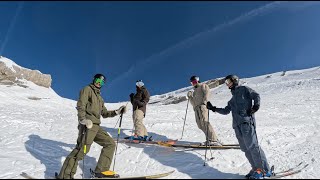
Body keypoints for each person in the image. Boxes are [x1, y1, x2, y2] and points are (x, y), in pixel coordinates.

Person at [57, 74, 127, 179]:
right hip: (87, 124)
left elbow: (104, 113)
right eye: (98, 80)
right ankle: (64, 176)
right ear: (94, 79)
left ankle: (101, 171)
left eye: (102, 82)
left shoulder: (100, 98)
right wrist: (83, 120)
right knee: (81, 150)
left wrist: (116, 112)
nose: (99, 83)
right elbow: (81, 105)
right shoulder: (87, 90)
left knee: (110, 144)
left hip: (96, 126)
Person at [206, 75, 272, 179]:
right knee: (245, 148)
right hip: (237, 126)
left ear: (234, 80)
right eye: (226, 82)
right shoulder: (231, 100)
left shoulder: (244, 89)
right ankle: (255, 168)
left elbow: (256, 95)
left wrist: (256, 106)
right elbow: (226, 111)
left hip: (246, 123)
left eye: (228, 81)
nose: (227, 84)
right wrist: (213, 108)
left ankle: (264, 170)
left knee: (253, 146)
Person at [186, 75, 220, 146]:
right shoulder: (194, 91)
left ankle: (214, 140)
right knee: (200, 125)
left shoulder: (203, 86)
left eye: (194, 81)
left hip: (202, 106)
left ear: (198, 80)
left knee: (204, 122)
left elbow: (207, 93)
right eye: (192, 83)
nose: (194, 83)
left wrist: (204, 102)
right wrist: (190, 97)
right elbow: (193, 103)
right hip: (196, 108)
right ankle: (209, 139)